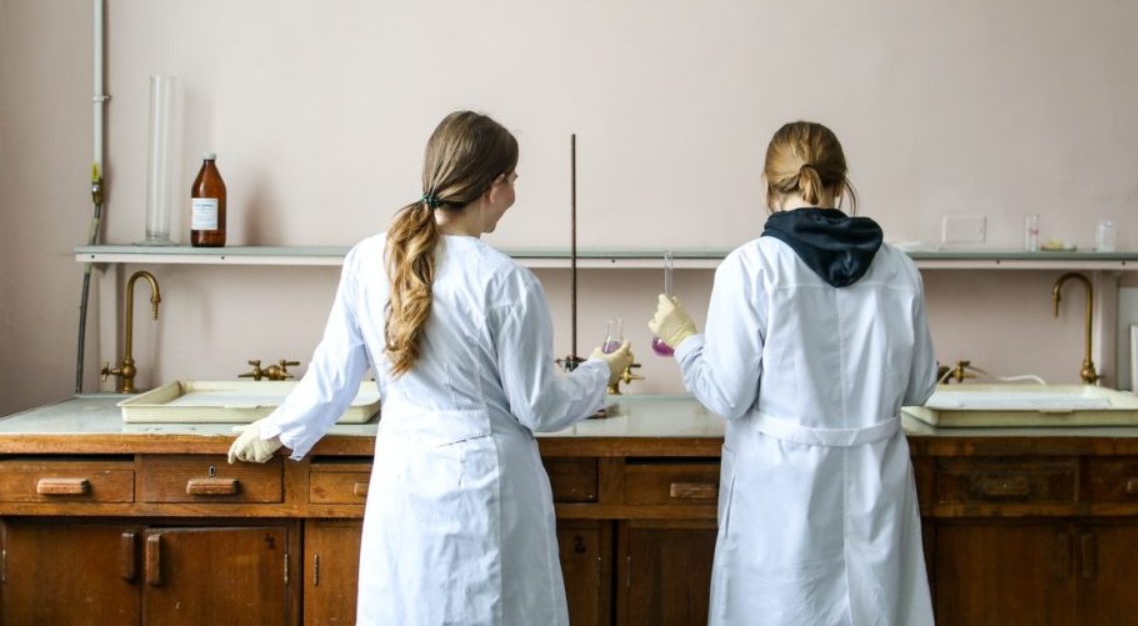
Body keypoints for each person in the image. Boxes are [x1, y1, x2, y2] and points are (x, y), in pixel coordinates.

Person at [228, 110, 633, 625]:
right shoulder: (506, 283)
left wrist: (277, 428)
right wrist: (600, 373)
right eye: (513, 182)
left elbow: (334, 374)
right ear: (493, 186)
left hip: (406, 482)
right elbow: (539, 407)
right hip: (486, 486)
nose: (514, 196)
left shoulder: (368, 260)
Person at [649, 120, 937, 626]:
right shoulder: (897, 269)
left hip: (781, 496)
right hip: (874, 489)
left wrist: (684, 340)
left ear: (767, 186)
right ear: (840, 184)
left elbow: (727, 394)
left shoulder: (751, 268)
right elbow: (917, 386)